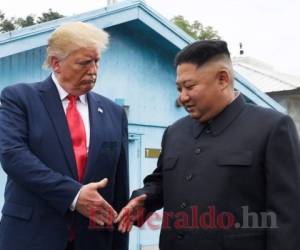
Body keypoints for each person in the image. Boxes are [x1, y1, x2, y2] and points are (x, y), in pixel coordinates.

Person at [116, 40, 300, 250]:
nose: (183, 97)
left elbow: (288, 216)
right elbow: (161, 181)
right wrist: (145, 198)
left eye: (190, 86)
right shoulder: (175, 132)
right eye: (179, 88)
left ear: (222, 79)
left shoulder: (271, 127)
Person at [0, 22, 129, 250]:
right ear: (55, 63)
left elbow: (119, 186)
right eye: (84, 63)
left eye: (97, 61)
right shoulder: (19, 98)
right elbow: (13, 156)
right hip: (31, 238)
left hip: (93, 241)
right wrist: (75, 195)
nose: (93, 71)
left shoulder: (114, 113)